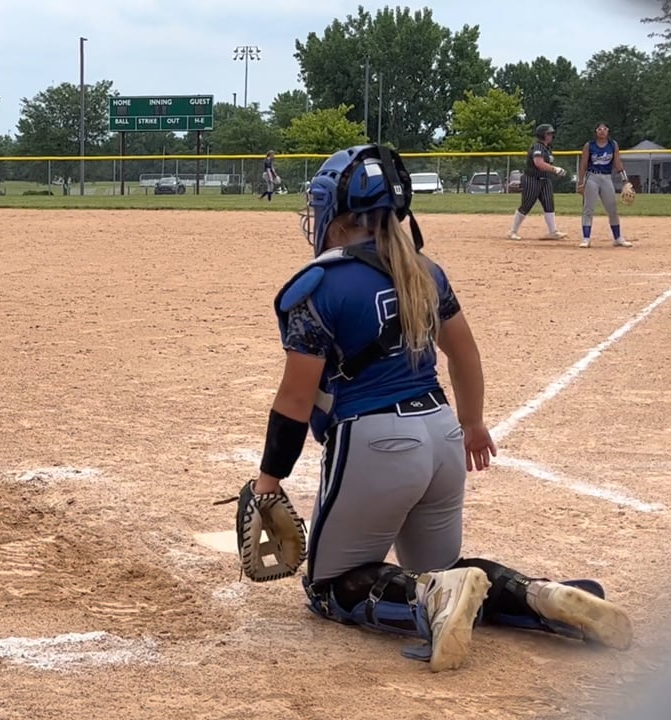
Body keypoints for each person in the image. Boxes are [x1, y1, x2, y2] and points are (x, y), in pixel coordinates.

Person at [239, 143, 633, 672]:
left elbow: (295, 397)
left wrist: (270, 478)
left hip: (376, 444)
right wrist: (473, 424)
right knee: (443, 568)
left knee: (332, 587)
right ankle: (538, 595)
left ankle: (432, 597)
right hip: (443, 435)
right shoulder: (425, 270)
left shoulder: (319, 286)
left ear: (337, 215)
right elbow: (464, 354)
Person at [508, 124, 569, 241]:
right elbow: (538, 163)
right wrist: (554, 169)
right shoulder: (538, 147)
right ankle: (512, 231)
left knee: (549, 205)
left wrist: (552, 171)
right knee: (527, 205)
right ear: (542, 135)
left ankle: (553, 232)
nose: (551, 136)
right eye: (548, 134)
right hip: (532, 179)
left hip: (544, 179)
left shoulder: (547, 148)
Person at [576, 122, 632, 249]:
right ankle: (586, 238)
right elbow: (583, 165)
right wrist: (580, 183)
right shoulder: (589, 145)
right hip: (592, 177)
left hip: (607, 178)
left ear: (608, 131)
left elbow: (618, 163)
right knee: (588, 208)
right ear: (595, 131)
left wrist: (625, 180)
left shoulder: (613, 145)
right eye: (599, 129)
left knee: (612, 208)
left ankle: (618, 238)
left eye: (604, 129)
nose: (602, 131)